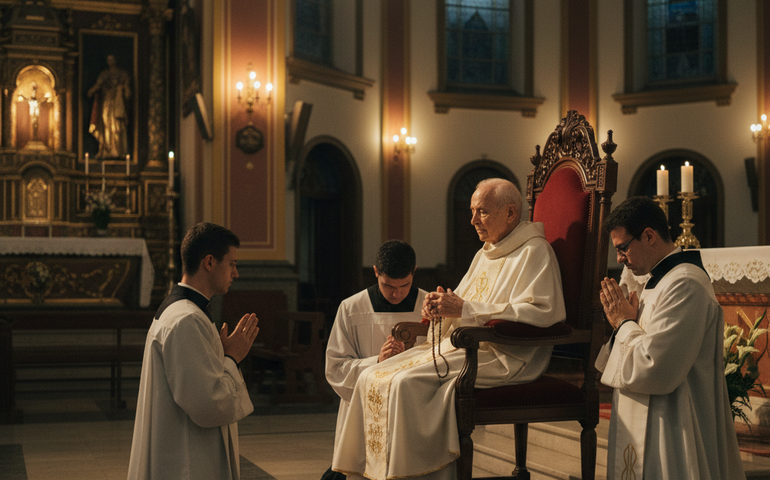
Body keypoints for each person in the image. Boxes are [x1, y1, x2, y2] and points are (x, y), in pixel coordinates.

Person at [332, 178, 565, 480]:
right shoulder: (485, 254)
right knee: (372, 374)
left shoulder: (535, 253)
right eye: (472, 211)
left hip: (507, 353)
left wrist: (464, 310)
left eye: (481, 211)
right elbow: (463, 305)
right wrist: (441, 308)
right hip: (468, 345)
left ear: (510, 213)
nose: (472, 220)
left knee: (404, 383)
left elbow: (543, 311)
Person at [595, 196, 745, 480]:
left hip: (674, 421)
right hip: (652, 415)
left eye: (622, 248)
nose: (619, 259)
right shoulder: (655, 283)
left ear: (649, 236)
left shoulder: (685, 284)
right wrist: (622, 325)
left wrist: (623, 322)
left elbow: (655, 366)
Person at [127, 223, 260, 480]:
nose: (236, 273)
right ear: (209, 262)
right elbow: (208, 404)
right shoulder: (187, 319)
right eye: (231, 264)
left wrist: (218, 356)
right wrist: (232, 358)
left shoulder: (184, 311)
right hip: (186, 458)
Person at [322, 240, 428, 480]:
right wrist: (376, 361)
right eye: (388, 285)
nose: (396, 294)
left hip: (413, 410)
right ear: (376, 272)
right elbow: (335, 367)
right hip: (364, 412)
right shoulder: (351, 308)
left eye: (405, 285)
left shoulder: (429, 306)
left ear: (414, 272)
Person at [87, 54, 131, 158]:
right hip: (107, 101)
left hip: (118, 103)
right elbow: (98, 84)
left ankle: (117, 150)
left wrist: (124, 90)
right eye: (108, 60)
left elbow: (127, 90)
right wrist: (92, 90)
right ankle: (106, 148)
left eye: (112, 59)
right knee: (106, 124)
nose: (110, 62)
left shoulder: (122, 74)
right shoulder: (105, 74)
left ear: (116, 60)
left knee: (116, 126)